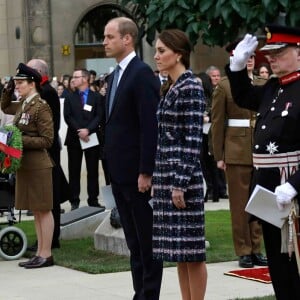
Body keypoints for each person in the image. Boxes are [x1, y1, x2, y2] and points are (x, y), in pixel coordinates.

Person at [226, 24, 300, 299]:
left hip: (293, 195)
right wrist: (235, 68)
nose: (271, 57)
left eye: (279, 52)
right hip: (270, 195)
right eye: (269, 52)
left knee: (296, 267)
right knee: (280, 271)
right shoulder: (274, 88)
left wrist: (294, 184)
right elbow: (244, 96)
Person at [103, 17, 163, 299]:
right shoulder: (115, 75)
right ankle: (140, 292)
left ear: (127, 39)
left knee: (147, 242)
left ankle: (148, 294)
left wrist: (146, 170)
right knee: (133, 242)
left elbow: (149, 125)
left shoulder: (141, 74)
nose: (104, 42)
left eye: (109, 36)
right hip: (119, 174)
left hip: (138, 176)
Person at [152, 29, 207, 300]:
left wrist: (180, 183)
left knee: (193, 253)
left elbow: (193, 139)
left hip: (183, 181)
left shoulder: (191, 86)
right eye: (157, 50)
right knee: (179, 253)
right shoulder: (171, 86)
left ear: (179, 54)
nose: (156, 56)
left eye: (162, 51)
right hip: (166, 178)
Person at [211, 43, 267, 268]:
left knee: (259, 201)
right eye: (246, 56)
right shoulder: (225, 85)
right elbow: (217, 122)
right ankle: (243, 250)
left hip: (261, 149)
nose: (251, 59)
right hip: (235, 150)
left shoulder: (264, 83)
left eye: (253, 56)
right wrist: (219, 154)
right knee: (239, 203)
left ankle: (256, 248)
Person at [1, 63, 54, 268]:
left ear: (32, 84)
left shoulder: (41, 106)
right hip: (26, 165)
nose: (17, 86)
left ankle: (46, 254)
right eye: (16, 83)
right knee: (36, 210)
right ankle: (40, 252)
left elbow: (47, 140)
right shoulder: (24, 104)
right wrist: (7, 90)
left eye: (21, 83)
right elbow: (5, 106)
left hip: (39, 165)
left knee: (43, 209)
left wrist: (18, 139)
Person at [27, 58, 69, 249]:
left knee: (49, 195)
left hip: (47, 151)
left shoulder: (48, 93)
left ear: (38, 72)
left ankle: (52, 238)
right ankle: (46, 238)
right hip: (42, 151)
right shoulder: (40, 91)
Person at [64, 68, 103, 210]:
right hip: (74, 139)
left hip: (91, 138)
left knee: (92, 170)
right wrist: (79, 131)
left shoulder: (96, 97)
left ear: (85, 79)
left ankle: (93, 199)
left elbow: (99, 116)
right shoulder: (69, 96)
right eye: (73, 77)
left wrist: (88, 130)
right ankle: (74, 200)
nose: (73, 79)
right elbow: (68, 116)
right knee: (74, 170)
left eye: (76, 77)